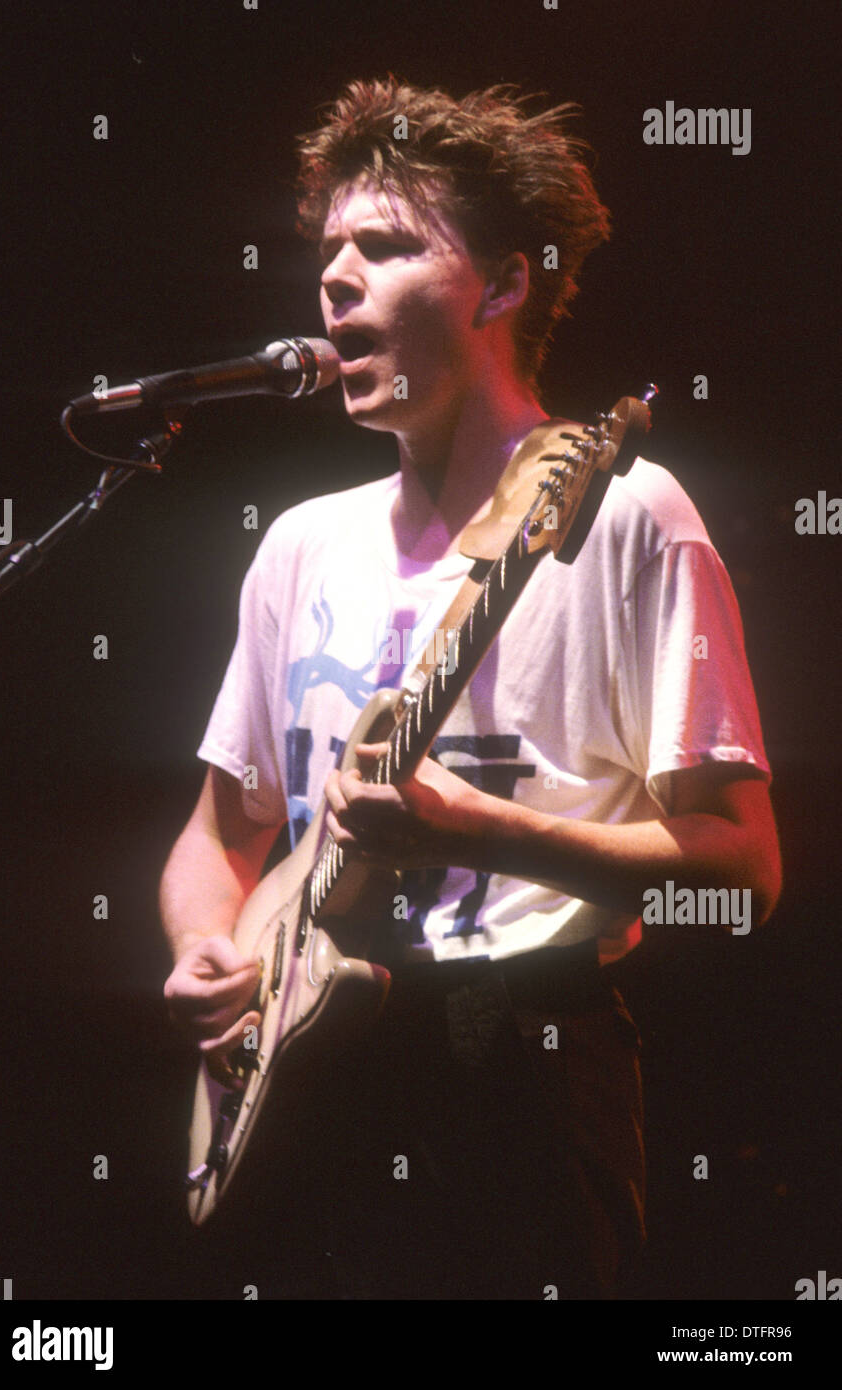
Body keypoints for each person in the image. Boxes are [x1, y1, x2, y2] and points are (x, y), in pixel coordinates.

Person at [160, 77, 781, 1299]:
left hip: (523, 1069)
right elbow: (219, 836)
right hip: (308, 1087)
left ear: (503, 284)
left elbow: (744, 870)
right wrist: (201, 948)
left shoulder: (627, 515)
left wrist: (476, 829)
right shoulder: (297, 542)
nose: (334, 279)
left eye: (384, 247)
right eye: (328, 250)